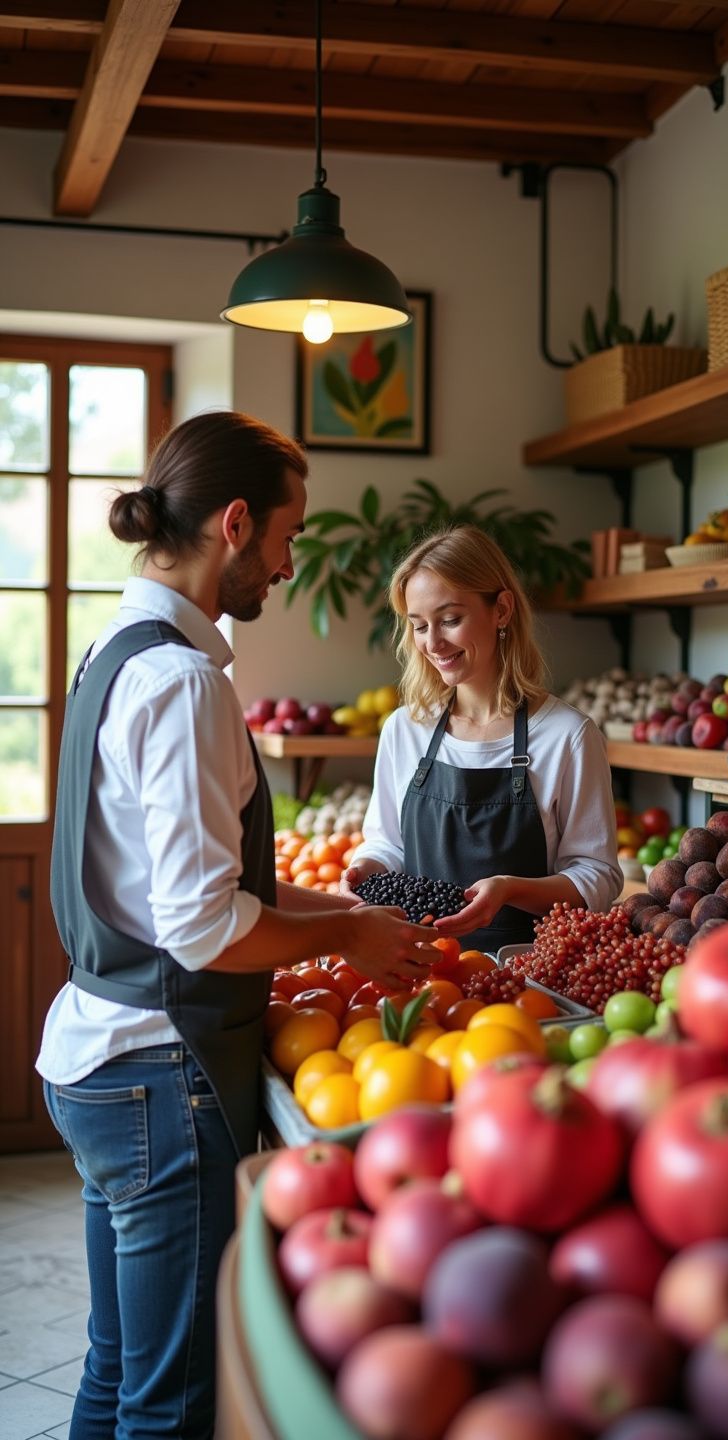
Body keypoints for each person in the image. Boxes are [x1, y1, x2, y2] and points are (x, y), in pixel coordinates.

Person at [37, 410, 434, 1440]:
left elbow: (208, 889)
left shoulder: (115, 651)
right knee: (173, 1401)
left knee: (119, 1370)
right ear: (237, 523)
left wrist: (347, 911)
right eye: (291, 537)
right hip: (159, 1076)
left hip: (101, 1055)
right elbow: (206, 929)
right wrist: (348, 941)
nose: (291, 564)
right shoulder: (180, 683)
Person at [343, 524, 622, 953]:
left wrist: (509, 890)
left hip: (523, 975)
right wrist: (365, 867)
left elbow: (597, 876)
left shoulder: (567, 736)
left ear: (502, 610)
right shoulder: (405, 729)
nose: (432, 643)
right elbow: (387, 842)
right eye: (418, 626)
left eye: (450, 620)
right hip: (420, 966)